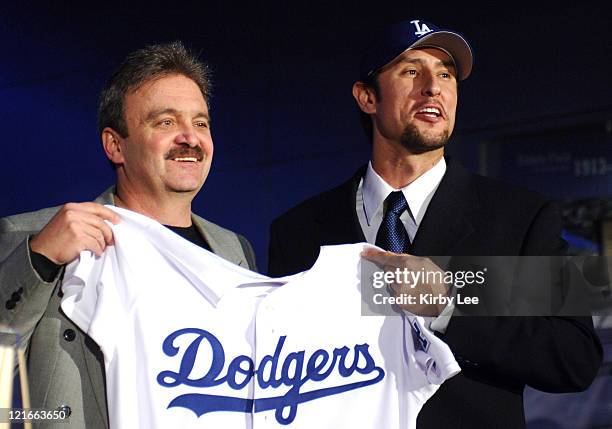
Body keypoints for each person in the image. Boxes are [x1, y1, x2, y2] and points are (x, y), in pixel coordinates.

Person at [268, 19, 603, 428]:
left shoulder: (520, 218)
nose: (433, 87)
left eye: (446, 73)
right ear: (367, 97)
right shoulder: (299, 231)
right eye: (411, 71)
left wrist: (448, 309)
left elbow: (574, 357)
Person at [0, 41, 256, 428]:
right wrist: (38, 259)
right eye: (166, 122)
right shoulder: (33, 238)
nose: (190, 138)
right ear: (115, 145)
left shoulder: (234, 251)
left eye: (200, 123)